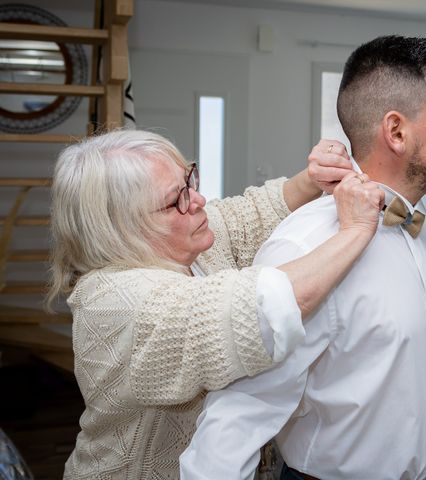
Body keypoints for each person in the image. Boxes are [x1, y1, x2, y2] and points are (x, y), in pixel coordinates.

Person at [180, 36, 426, 479]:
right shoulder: (305, 246)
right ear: (396, 132)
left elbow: (412, 354)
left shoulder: (420, 224)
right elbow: (245, 406)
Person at [47, 129, 384, 480]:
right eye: (175, 198)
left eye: (188, 180)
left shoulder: (187, 243)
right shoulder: (114, 302)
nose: (199, 199)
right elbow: (262, 308)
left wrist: (314, 178)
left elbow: (248, 214)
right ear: (122, 229)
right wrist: (357, 229)